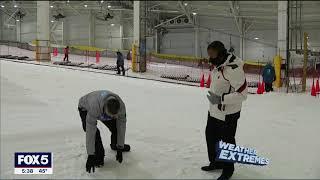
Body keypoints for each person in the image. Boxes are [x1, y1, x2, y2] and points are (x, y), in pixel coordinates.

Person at [202, 41, 247, 180]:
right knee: (211, 136)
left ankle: (228, 170)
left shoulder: (233, 69)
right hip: (214, 110)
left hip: (228, 113)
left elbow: (242, 94)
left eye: (212, 55)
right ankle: (216, 162)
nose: (210, 58)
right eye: (208, 54)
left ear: (221, 54)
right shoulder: (218, 65)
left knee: (227, 142)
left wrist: (221, 99)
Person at [78, 90, 131, 173]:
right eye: (110, 116)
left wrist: (120, 147)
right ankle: (98, 157)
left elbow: (121, 127)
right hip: (85, 108)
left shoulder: (121, 107)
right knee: (95, 133)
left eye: (114, 116)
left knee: (116, 127)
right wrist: (90, 155)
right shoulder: (94, 107)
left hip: (102, 108)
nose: (113, 118)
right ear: (105, 110)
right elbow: (90, 132)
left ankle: (115, 145)